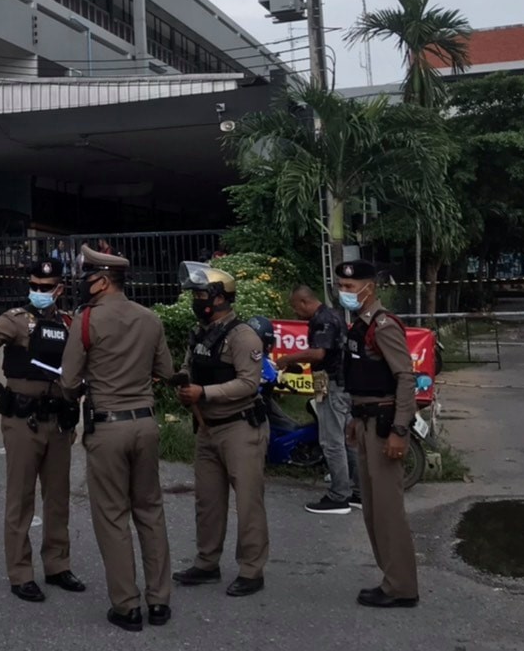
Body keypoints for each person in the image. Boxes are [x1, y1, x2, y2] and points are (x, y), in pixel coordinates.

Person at [0, 257, 85, 603]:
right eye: (34, 287)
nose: (39, 292)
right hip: (23, 421)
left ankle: (57, 565)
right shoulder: (16, 320)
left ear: (60, 288)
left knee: (57, 497)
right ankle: (21, 572)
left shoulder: (70, 323)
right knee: (21, 497)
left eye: (46, 288)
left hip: (59, 421)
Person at [59, 243, 174, 632]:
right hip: (145, 424)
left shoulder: (86, 321)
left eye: (88, 278)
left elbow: (69, 382)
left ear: (103, 281)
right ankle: (159, 601)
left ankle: (127, 606)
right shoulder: (150, 318)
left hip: (107, 427)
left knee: (111, 515)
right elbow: (166, 369)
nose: (83, 285)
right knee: (150, 510)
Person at [170, 266, 270, 598]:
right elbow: (189, 366)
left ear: (220, 298)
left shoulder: (242, 336)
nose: (196, 302)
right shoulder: (199, 333)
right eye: (195, 296)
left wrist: (205, 393)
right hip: (207, 428)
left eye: (201, 296)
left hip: (239, 427)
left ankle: (251, 570)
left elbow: (248, 383)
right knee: (208, 501)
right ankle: (206, 563)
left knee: (248, 502)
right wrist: (183, 385)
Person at [336, 260, 419, 608]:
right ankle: (391, 580)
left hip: (385, 426)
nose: (344, 292)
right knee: (372, 510)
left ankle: (402, 586)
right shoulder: (360, 325)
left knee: (387, 511)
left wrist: (400, 430)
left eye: (351, 288)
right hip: (367, 420)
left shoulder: (383, 326)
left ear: (370, 288)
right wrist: (355, 418)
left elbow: (404, 378)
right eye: (341, 285)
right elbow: (362, 379)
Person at [283, 284, 360, 514]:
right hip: (337, 382)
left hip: (331, 384)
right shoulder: (333, 314)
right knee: (348, 439)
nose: (295, 313)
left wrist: (287, 359)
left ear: (305, 302)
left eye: (296, 308)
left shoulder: (323, 320)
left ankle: (339, 496)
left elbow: (318, 353)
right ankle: (358, 492)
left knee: (331, 440)